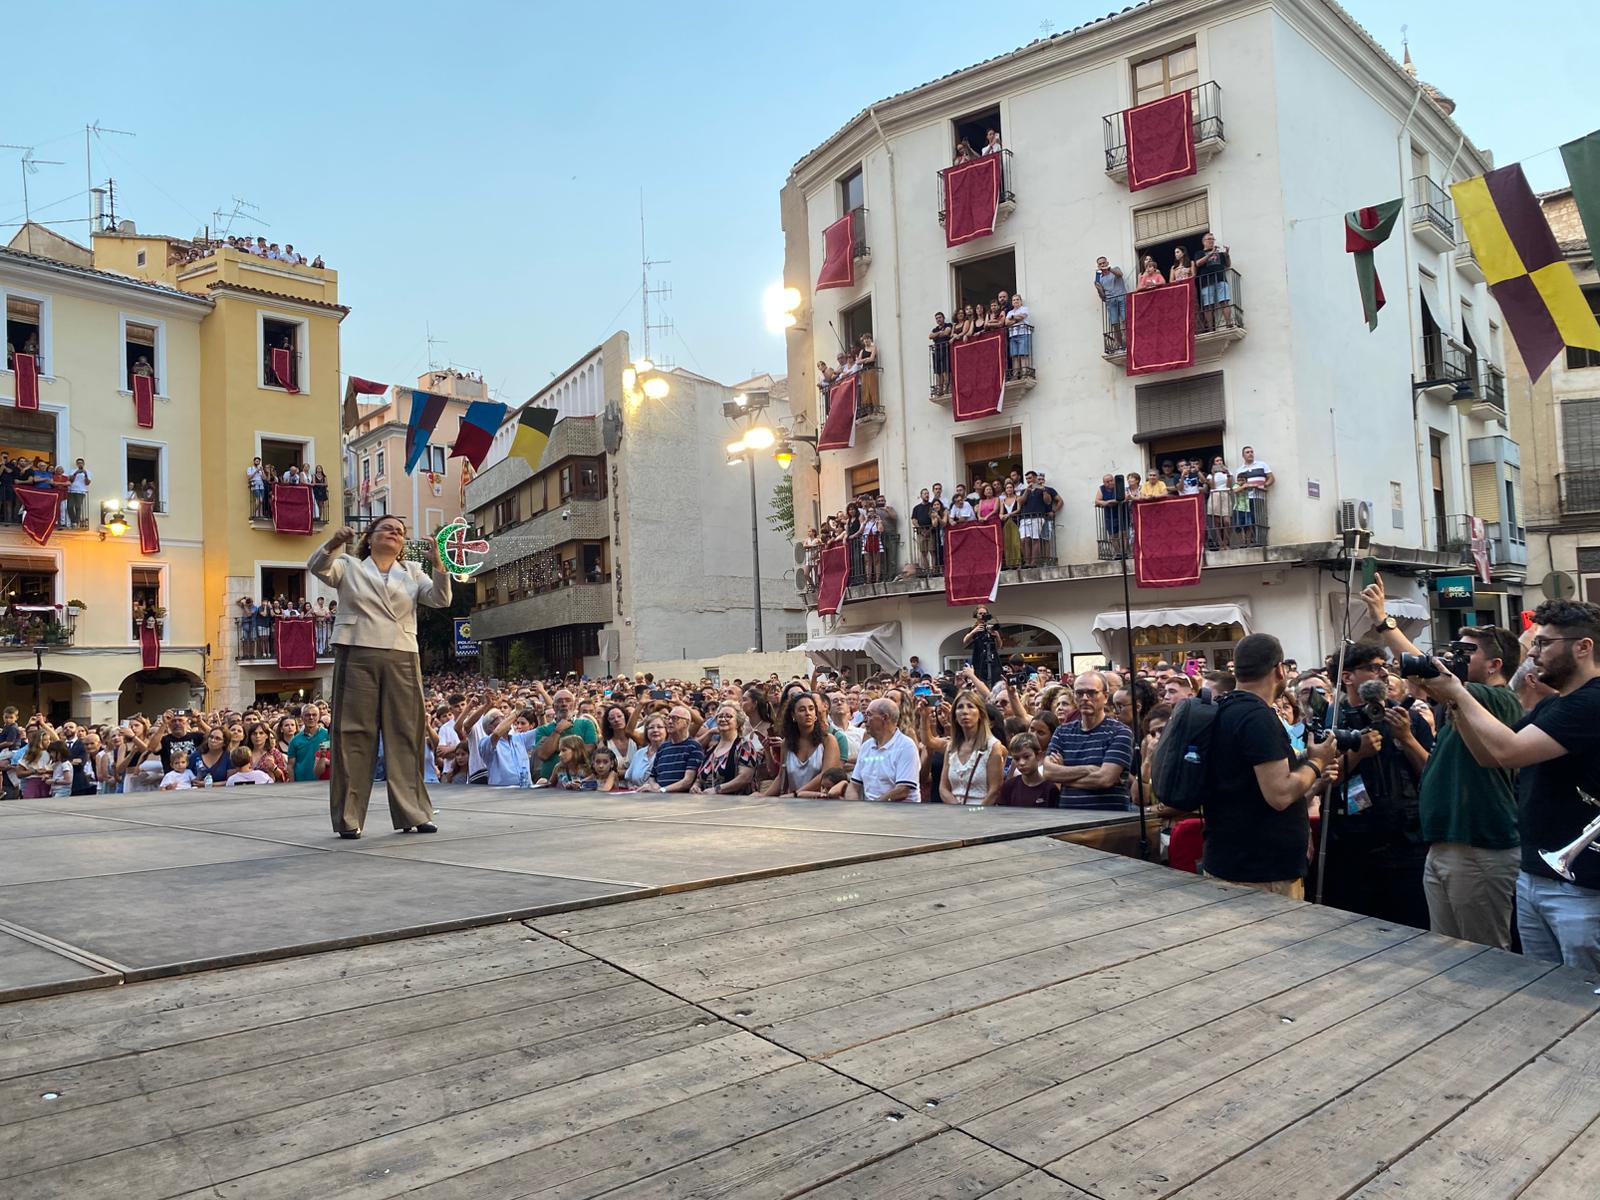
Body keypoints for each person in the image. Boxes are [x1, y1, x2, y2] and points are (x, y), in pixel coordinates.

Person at [1415, 600, 1600, 973]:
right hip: (1536, 874)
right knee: (1540, 988)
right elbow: (1491, 756)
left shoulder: (1592, 701)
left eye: (1544, 643)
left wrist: (1460, 693)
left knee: (1584, 995)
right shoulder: (1556, 706)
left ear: (1583, 647)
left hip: (1580, 888)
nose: (1533, 653)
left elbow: (1509, 750)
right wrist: (1456, 703)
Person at [1362, 574, 1523, 948]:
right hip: (1447, 845)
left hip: (1478, 848)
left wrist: (1385, 622)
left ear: (1495, 664)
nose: (1452, 659)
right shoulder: (1460, 702)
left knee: (1483, 955)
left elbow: (1429, 673)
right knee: (1447, 952)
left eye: (1466, 655)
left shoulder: (1496, 699)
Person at [309, 515, 452, 837]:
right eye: (387, 528)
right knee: (352, 733)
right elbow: (318, 568)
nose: (395, 534)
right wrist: (333, 543)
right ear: (369, 538)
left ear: (403, 544)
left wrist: (439, 566)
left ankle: (413, 813)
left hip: (402, 652)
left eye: (400, 532)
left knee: (406, 732)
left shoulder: (413, 572)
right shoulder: (349, 564)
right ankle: (349, 817)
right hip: (357, 648)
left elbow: (441, 600)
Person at [1203, 633, 1341, 896]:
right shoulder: (1257, 718)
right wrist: (1317, 761)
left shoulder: (1224, 708)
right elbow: (1279, 794)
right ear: (1279, 670)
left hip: (1227, 861)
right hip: (1261, 874)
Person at [1326, 642, 1435, 929]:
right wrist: (1357, 753)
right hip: (1353, 844)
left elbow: (1432, 774)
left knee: (1414, 925)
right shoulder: (1332, 719)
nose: (1384, 674)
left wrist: (1407, 738)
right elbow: (1322, 781)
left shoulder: (1407, 717)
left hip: (1407, 841)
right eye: (1374, 668)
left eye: (1385, 667)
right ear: (1347, 677)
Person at [1043, 670, 1134, 810]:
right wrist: (1089, 769)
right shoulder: (1062, 731)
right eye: (1079, 693)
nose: (1085, 698)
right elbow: (1048, 772)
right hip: (1069, 818)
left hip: (1107, 820)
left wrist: (1064, 776)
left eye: (1091, 693)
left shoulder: (1120, 732)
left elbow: (1104, 779)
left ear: (1105, 696)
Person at [846, 698, 920, 803]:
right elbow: (853, 785)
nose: (865, 720)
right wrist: (853, 805)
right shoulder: (866, 746)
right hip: (870, 811)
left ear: (884, 718)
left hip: (901, 813)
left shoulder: (906, 746)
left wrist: (873, 808)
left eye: (869, 715)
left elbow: (903, 790)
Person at [940, 689, 1004, 805]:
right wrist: (957, 809)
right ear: (954, 715)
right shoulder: (951, 747)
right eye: (960, 707)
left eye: (970, 706)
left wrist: (974, 814)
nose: (965, 711)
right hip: (954, 814)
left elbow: (994, 790)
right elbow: (943, 788)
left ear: (980, 714)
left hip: (982, 813)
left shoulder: (992, 746)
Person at [531, 689, 599, 783]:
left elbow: (588, 751)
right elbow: (543, 755)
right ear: (554, 707)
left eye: (568, 700)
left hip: (581, 781)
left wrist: (554, 745)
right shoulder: (543, 729)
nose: (564, 704)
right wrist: (558, 730)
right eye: (559, 701)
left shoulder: (586, 724)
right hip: (550, 783)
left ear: (574, 705)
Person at [645, 706, 705, 793]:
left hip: (680, 800)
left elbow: (687, 781)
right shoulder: (663, 747)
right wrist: (655, 787)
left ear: (687, 723)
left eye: (675, 718)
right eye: (668, 718)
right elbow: (652, 776)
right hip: (659, 797)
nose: (669, 722)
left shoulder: (694, 747)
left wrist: (662, 790)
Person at [1234, 445, 1272, 546]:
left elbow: (1271, 478)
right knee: (1248, 520)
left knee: (1257, 519)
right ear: (1243, 455)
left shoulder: (1262, 465)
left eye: (1251, 452)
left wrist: (1263, 485)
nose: (1250, 453)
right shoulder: (1240, 469)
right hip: (1246, 498)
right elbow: (1237, 484)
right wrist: (1245, 486)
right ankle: (1249, 541)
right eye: (1247, 452)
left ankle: (1258, 540)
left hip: (1258, 496)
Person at [1194, 232, 1232, 329]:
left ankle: (1229, 323)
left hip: (1221, 279)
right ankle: (1210, 328)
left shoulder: (1220, 253)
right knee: (1208, 305)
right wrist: (1210, 254)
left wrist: (1227, 254)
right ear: (1204, 242)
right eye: (1209, 239)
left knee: (1225, 301)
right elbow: (1198, 263)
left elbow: (1227, 265)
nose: (1212, 241)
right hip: (1206, 281)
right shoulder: (1199, 253)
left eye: (1213, 239)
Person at [287, 706, 331, 783]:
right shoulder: (295, 740)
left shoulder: (327, 735)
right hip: (301, 783)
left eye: (314, 715)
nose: (311, 717)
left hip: (323, 782)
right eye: (307, 715)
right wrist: (292, 785)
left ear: (319, 716)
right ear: (302, 717)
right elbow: (290, 766)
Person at [1094, 256, 1127, 350]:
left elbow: (1120, 274)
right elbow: (1103, 297)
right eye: (1100, 264)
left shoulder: (1115, 269)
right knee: (1115, 324)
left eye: (1103, 263)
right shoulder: (1099, 279)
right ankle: (1121, 345)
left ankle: (1129, 342)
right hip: (1110, 302)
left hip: (1121, 298)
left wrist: (1109, 269)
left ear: (1107, 263)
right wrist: (1098, 288)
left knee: (1125, 320)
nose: (1102, 265)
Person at [963, 607, 1002, 686]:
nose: (982, 615)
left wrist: (997, 636)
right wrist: (974, 631)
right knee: (980, 678)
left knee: (995, 678)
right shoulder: (973, 628)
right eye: (980, 613)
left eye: (984, 614)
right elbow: (965, 641)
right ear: (976, 615)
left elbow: (999, 646)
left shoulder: (990, 627)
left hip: (992, 657)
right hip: (979, 657)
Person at [1206, 456, 1234, 549]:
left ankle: (1226, 542)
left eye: (1221, 460)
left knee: (1227, 521)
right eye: (1217, 461)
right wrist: (1213, 474)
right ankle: (1220, 542)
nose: (1219, 462)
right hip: (1215, 495)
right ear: (1214, 463)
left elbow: (1229, 486)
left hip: (1225, 494)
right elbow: (1213, 487)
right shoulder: (1210, 475)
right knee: (1217, 521)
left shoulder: (1228, 473)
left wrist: (1228, 473)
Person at [1004, 294, 1032, 379]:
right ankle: (1016, 375)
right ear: (1012, 302)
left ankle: (1024, 374)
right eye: (1014, 300)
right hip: (1013, 335)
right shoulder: (1010, 312)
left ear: (1021, 301)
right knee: (1014, 356)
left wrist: (1012, 318)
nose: (1015, 301)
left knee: (1023, 354)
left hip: (1023, 333)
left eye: (1017, 299)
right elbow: (1006, 323)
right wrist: (1017, 319)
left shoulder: (1024, 309)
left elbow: (1023, 316)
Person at [929, 314, 952, 395]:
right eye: (937, 318)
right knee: (938, 371)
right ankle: (940, 389)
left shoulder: (948, 325)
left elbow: (946, 333)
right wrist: (939, 332)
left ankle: (948, 388)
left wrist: (937, 335)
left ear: (943, 318)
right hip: (937, 351)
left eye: (940, 317)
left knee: (946, 370)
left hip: (945, 350)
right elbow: (930, 336)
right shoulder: (935, 329)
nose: (938, 319)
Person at [66, 458, 91, 528]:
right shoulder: (72, 471)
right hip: (71, 491)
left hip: (81, 491)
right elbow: (70, 480)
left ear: (83, 464)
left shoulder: (87, 472)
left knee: (78, 507)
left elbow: (87, 483)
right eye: (78, 463)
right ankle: (74, 521)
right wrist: (76, 473)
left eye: (81, 463)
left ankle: (76, 522)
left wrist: (85, 474)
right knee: (69, 506)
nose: (80, 464)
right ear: (77, 464)